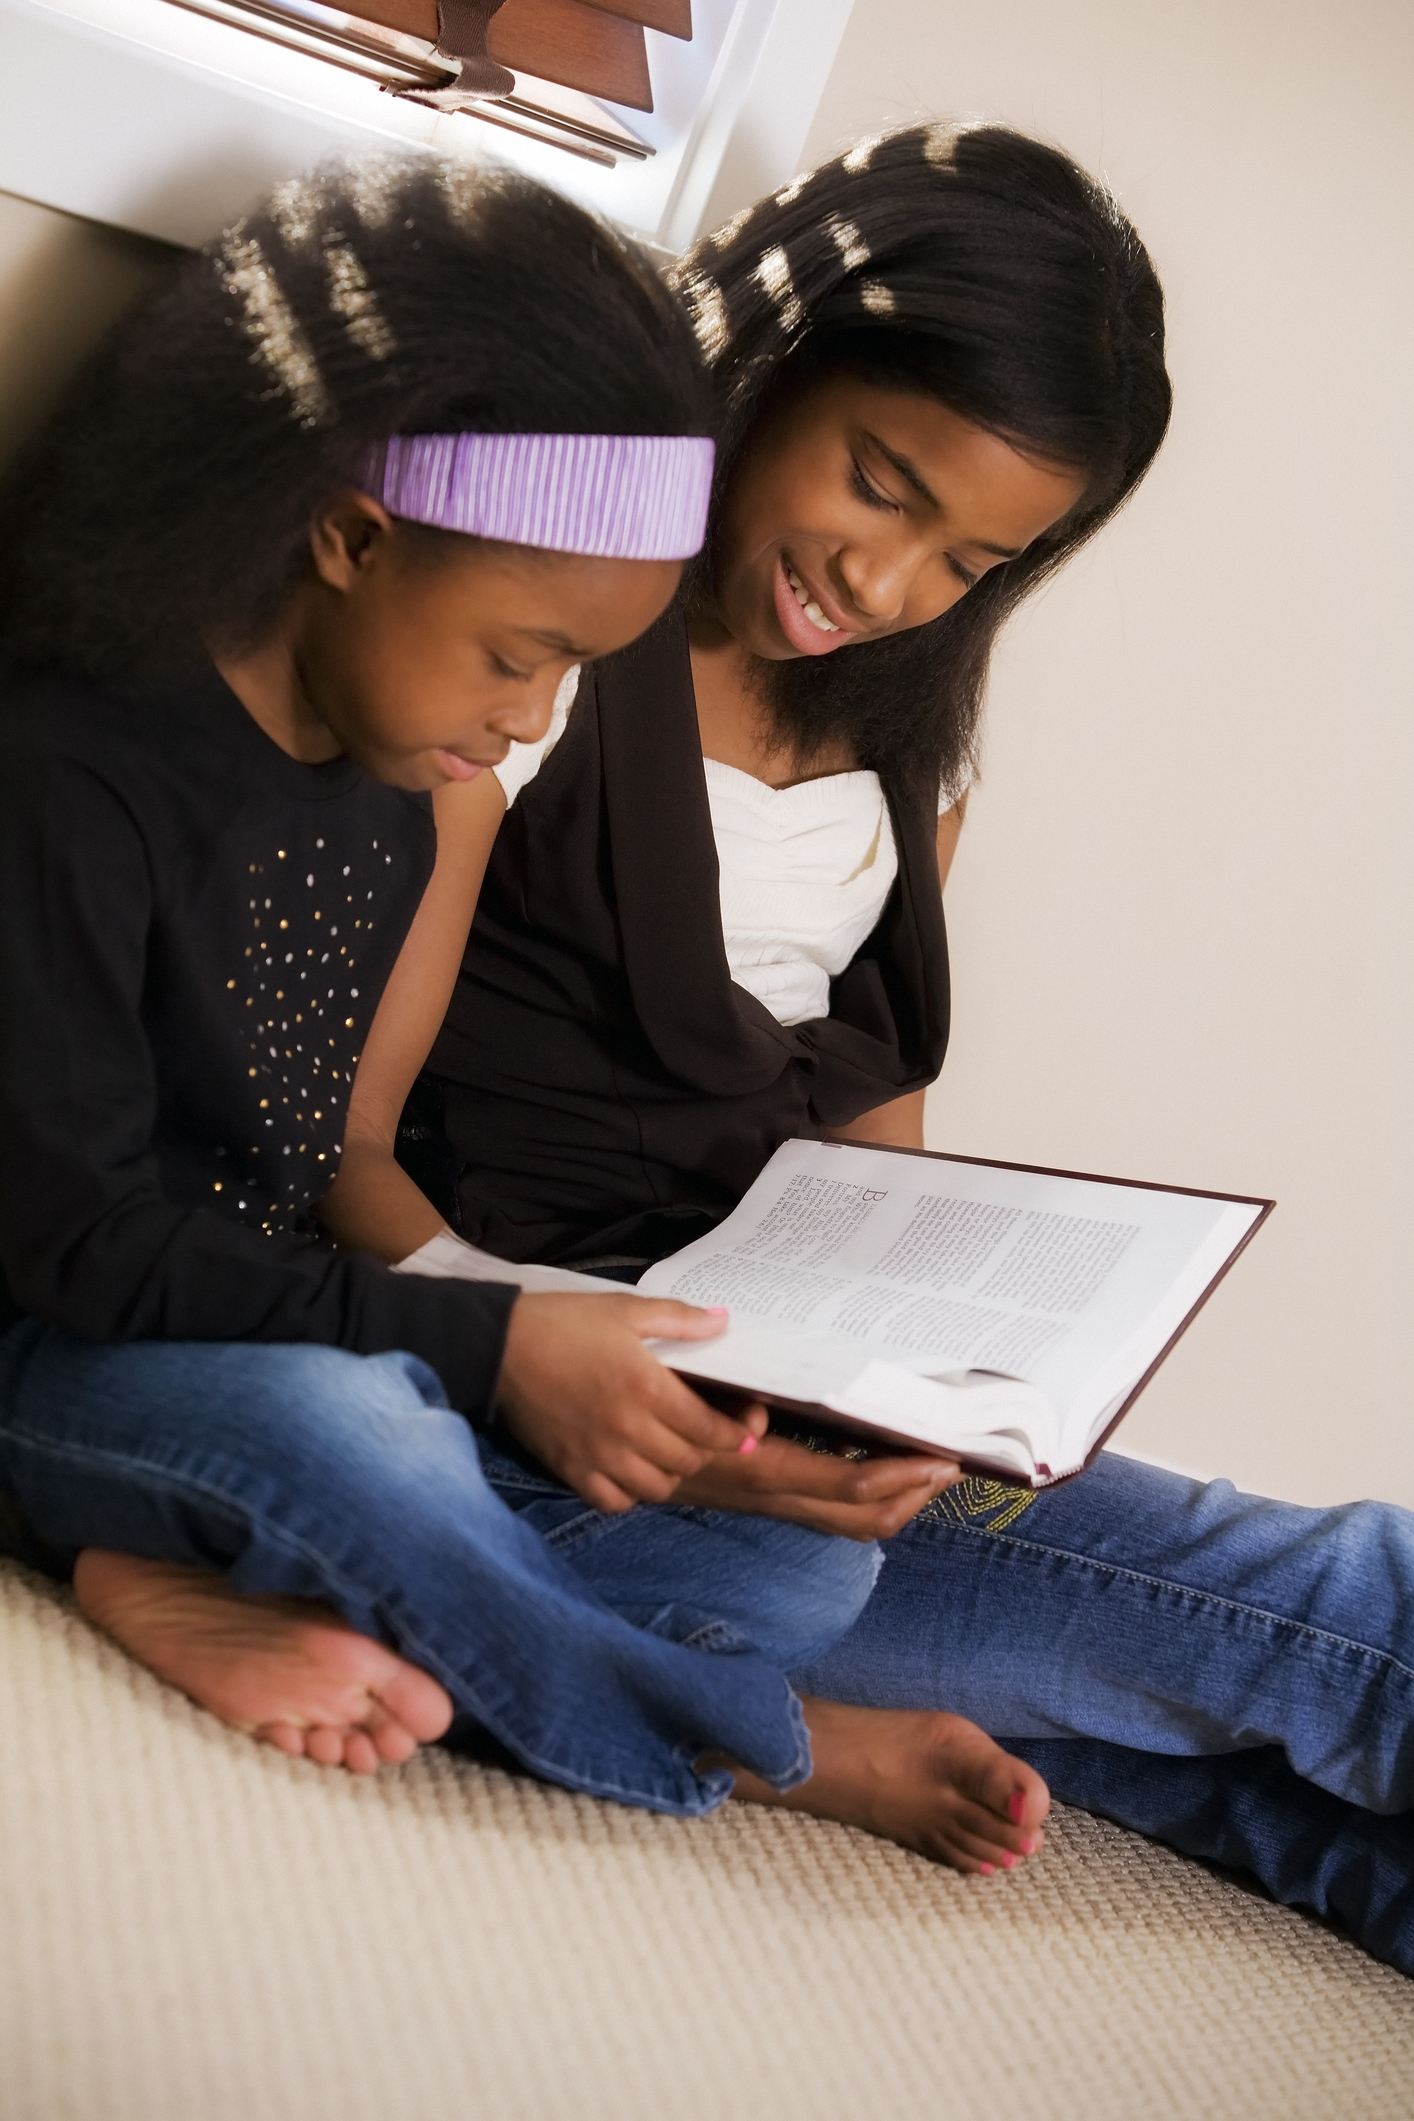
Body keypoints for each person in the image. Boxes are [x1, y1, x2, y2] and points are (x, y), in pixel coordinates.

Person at [321, 127, 1413, 1972]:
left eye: (974, 555)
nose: (891, 581)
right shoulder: (537, 647)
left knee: (1236, 1763)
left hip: (787, 1396)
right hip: (554, 1398)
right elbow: (336, 1155)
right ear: (761, 356)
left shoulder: (896, 748)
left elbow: (872, 1161)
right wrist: (579, 1374)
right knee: (1327, 1603)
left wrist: (952, 1369)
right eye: (880, 482)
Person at [0, 157, 1059, 1877]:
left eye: (574, 674)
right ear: (349, 537)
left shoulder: (386, 785)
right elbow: (68, 1242)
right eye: (517, 656)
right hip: (63, 1348)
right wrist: (481, 1345)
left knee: (793, 1562)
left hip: (271, 1342)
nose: (530, 719)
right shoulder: (76, 772)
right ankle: (759, 1746)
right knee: (364, 1433)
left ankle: (165, 1571)